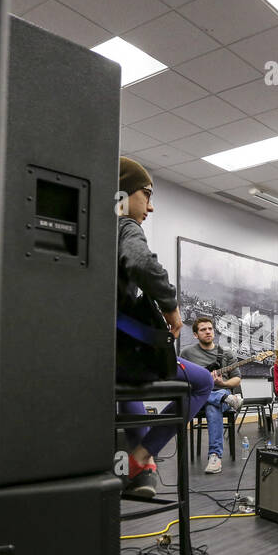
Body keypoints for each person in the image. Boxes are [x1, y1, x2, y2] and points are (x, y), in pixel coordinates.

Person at [115, 157, 213, 498]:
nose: (151, 206)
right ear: (124, 195)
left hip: (107, 358)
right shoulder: (125, 225)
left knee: (133, 376)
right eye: (147, 194)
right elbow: (142, 262)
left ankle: (141, 471)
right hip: (121, 357)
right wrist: (171, 310)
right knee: (202, 382)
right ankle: (142, 459)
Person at [179, 314, 244, 473]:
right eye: (203, 330)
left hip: (219, 395)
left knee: (212, 406)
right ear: (196, 334)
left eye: (210, 329)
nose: (208, 332)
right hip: (199, 398)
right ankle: (226, 398)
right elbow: (181, 378)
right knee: (210, 399)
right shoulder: (186, 353)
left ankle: (214, 456)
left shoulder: (226, 353)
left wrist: (224, 384)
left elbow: (237, 379)